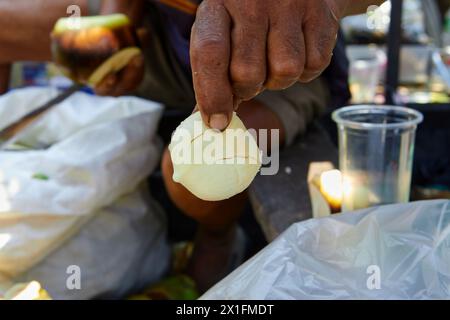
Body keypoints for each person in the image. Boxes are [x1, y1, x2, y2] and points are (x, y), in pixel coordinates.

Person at [0, 0, 385, 292]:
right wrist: (122, 26)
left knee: (196, 167)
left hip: (278, 56)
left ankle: (217, 236)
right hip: (167, 37)